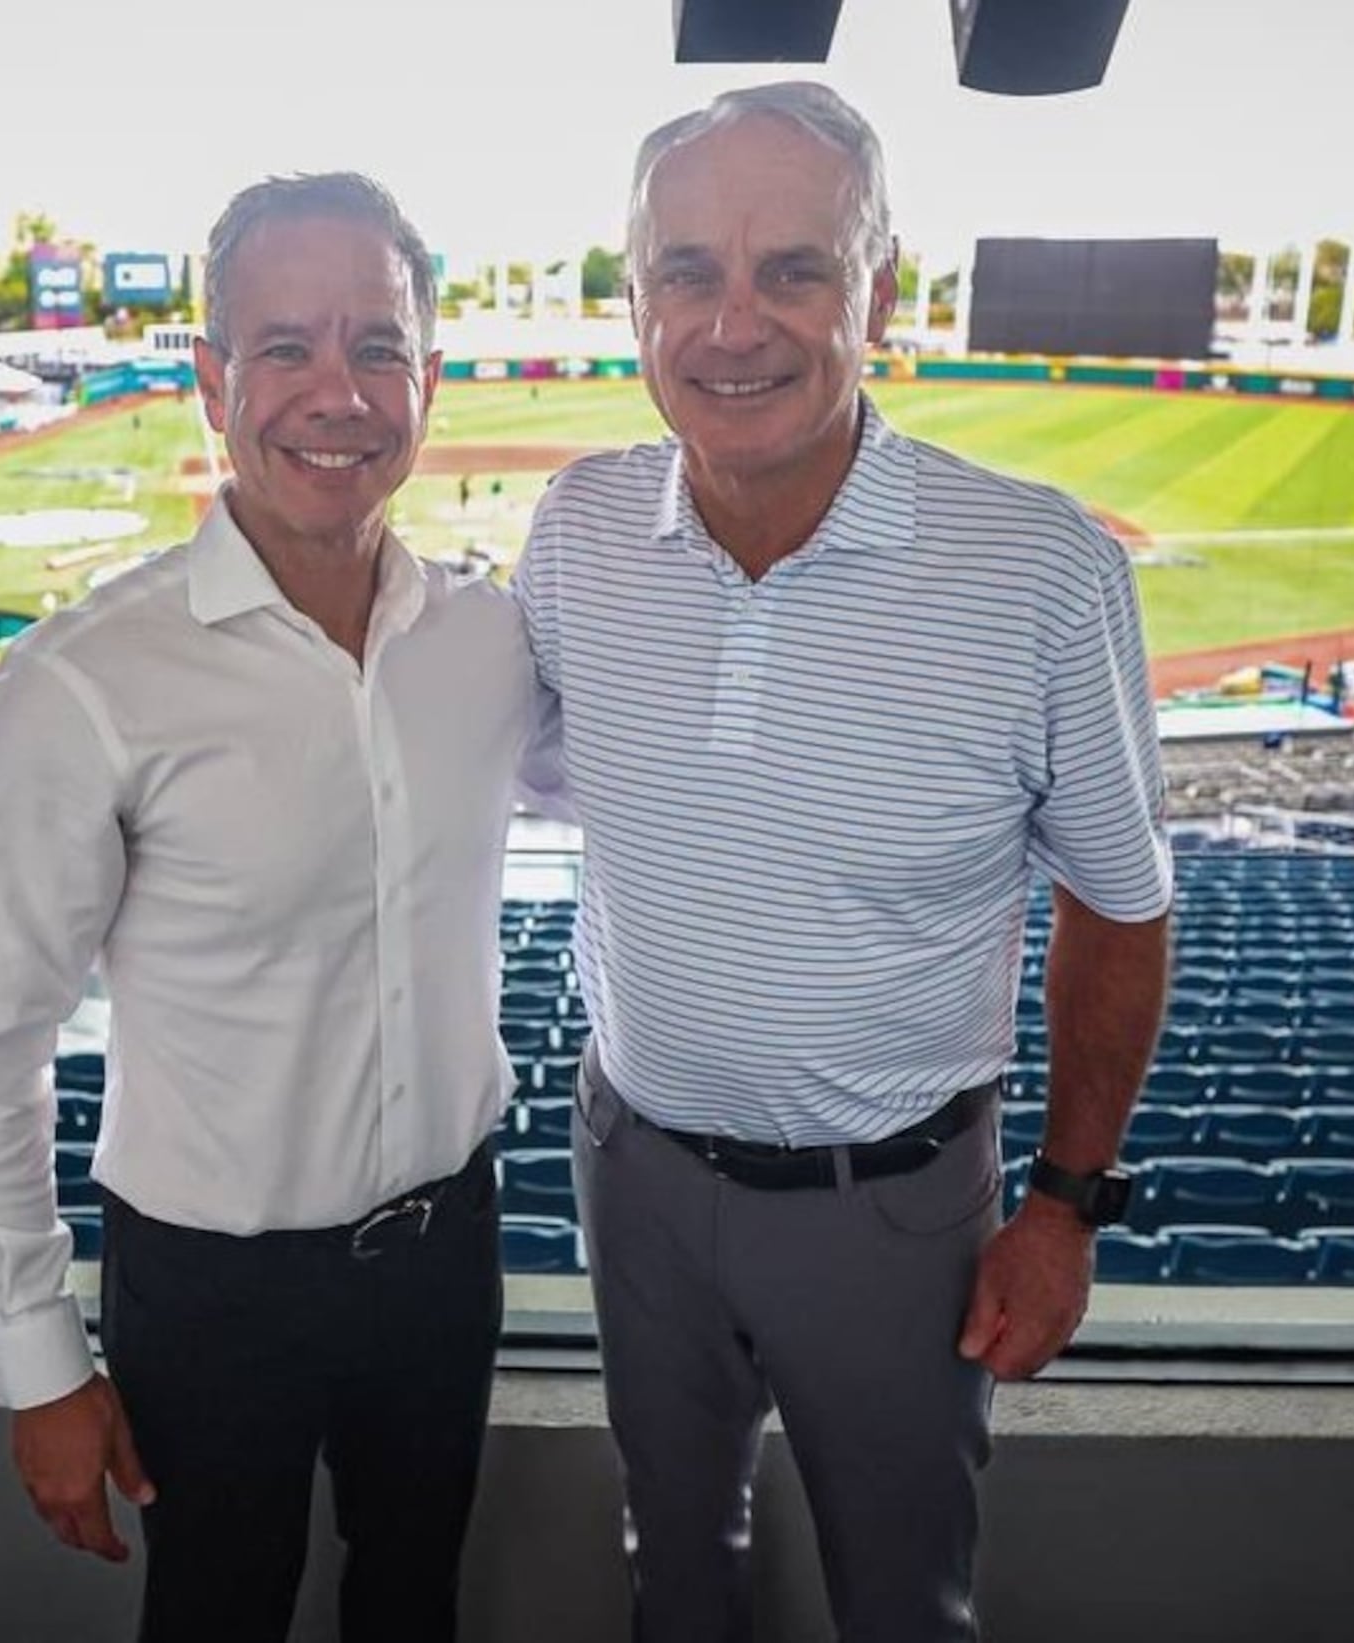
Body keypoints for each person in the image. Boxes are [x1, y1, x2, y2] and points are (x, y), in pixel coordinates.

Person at [511, 83, 1175, 1642]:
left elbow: (1121, 899)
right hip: (633, 1176)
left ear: (882, 292)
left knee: (904, 1601)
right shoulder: (578, 528)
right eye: (687, 272)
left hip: (891, 1214)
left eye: (793, 270)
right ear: (634, 301)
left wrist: (1065, 1205)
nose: (733, 322)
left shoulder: (1045, 571)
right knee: (671, 1562)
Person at [0, 172, 540, 1643]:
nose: (339, 392)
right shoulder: (85, 684)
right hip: (212, 1291)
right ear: (211, 381)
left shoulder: (490, 644)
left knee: (413, 1607)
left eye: (377, 346)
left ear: (427, 381)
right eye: (286, 348)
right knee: (214, 1621)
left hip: (449, 1252)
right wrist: (43, 1367)